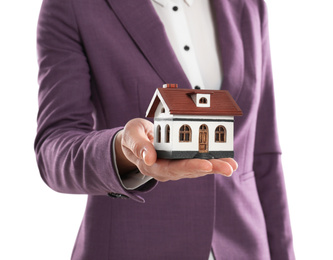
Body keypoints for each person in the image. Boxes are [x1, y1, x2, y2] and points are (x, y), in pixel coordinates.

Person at [35, 0, 295, 259]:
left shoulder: (250, 5)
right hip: (131, 247)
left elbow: (263, 155)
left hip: (246, 247)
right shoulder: (73, 5)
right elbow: (54, 148)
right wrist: (122, 153)